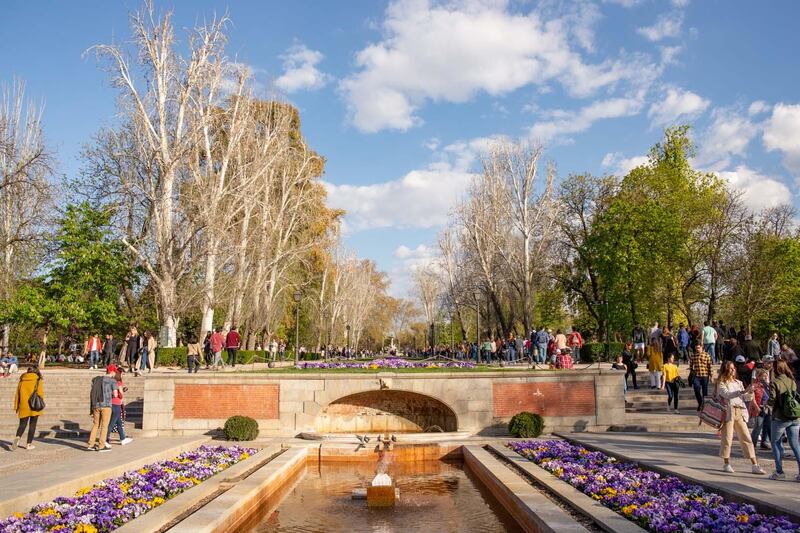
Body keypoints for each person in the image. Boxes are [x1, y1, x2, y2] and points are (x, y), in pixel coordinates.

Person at [716, 361, 765, 475]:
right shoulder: (721, 383)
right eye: (730, 369)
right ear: (726, 370)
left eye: (734, 368)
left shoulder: (738, 382)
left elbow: (745, 397)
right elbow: (726, 394)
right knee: (727, 439)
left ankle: (754, 464)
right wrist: (742, 391)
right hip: (728, 411)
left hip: (740, 411)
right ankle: (726, 463)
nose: (733, 370)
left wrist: (751, 391)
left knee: (746, 438)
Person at [767, 360, 800, 480]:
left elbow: (772, 399)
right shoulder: (791, 381)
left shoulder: (774, 382)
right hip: (794, 416)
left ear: (775, 369)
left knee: (775, 443)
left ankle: (779, 472)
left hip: (780, 417)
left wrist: (766, 404)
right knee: (795, 445)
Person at [87, 365, 118, 452]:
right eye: (115, 372)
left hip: (96, 405)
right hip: (106, 406)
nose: (115, 374)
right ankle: (101, 445)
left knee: (96, 424)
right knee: (104, 426)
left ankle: (90, 444)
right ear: (112, 372)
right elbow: (115, 395)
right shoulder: (112, 381)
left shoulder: (97, 379)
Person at [12, 366, 44, 450]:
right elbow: (40, 394)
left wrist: (16, 406)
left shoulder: (22, 379)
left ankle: (18, 437)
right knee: (32, 425)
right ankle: (28, 444)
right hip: (34, 405)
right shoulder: (37, 380)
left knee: (22, 424)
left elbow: (17, 394)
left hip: (23, 405)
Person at [107, 367, 133, 446]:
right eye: (122, 374)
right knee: (112, 423)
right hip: (116, 404)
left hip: (113, 403)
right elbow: (120, 394)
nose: (123, 376)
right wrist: (122, 391)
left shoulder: (112, 381)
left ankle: (123, 438)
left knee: (119, 422)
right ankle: (105, 439)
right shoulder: (118, 382)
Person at [749, 368, 771, 451]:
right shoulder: (754, 385)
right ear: (758, 376)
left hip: (768, 408)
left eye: (766, 376)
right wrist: (756, 407)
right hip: (759, 407)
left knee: (767, 426)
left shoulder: (768, 385)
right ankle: (752, 444)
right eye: (763, 376)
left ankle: (765, 442)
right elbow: (752, 397)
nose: (765, 378)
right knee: (758, 426)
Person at [689, 345, 712, 411]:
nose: (697, 349)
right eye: (696, 348)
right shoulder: (693, 356)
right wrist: (691, 372)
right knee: (696, 389)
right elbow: (691, 366)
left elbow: (709, 366)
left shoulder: (706, 355)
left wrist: (711, 376)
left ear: (702, 348)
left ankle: (704, 406)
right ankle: (700, 403)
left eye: (698, 348)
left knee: (705, 392)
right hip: (697, 376)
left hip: (705, 375)